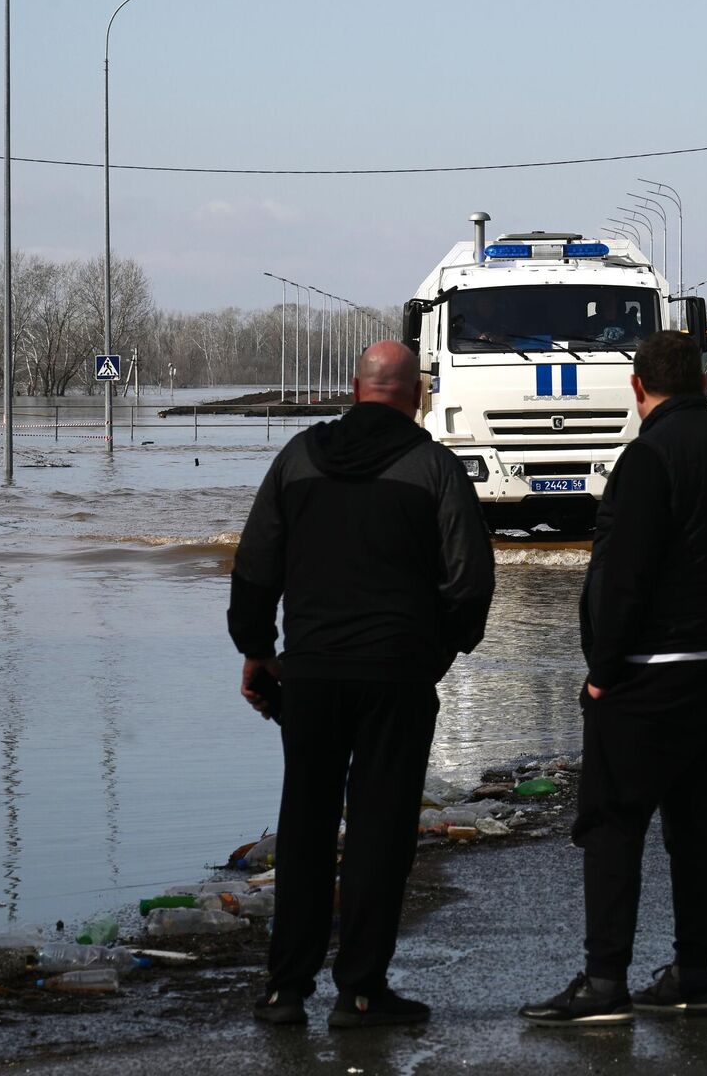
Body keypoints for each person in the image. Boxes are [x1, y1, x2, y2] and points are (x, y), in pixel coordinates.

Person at [229, 340, 495, 1029]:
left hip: (311, 673)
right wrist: (439, 649)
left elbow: (256, 563)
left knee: (306, 823)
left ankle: (286, 990)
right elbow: (469, 581)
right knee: (380, 832)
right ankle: (363, 992)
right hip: (396, 676)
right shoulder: (434, 466)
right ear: (417, 395)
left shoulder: (298, 457)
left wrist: (258, 651)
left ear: (355, 387)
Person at [519, 331, 707, 1026]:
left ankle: (605, 984)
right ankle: (694, 975)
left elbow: (620, 579)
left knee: (611, 821)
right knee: (697, 819)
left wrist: (602, 672)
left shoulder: (647, 458)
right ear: (701, 383)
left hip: (651, 676)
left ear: (638, 388)